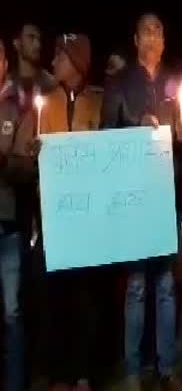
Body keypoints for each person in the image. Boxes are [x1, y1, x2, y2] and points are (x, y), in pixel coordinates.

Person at [101, 13, 182, 391]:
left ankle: (166, 367)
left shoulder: (174, 83)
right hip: (135, 198)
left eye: (159, 30)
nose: (154, 37)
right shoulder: (119, 84)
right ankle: (134, 371)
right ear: (135, 39)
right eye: (147, 31)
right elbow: (106, 137)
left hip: (167, 195)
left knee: (166, 283)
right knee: (137, 284)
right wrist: (137, 129)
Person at [19, 34, 103, 391]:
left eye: (61, 57)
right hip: (52, 223)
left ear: (77, 63)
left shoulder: (98, 102)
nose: (54, 62)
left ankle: (82, 372)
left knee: (84, 300)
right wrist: (32, 155)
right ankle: (56, 374)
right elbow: (19, 162)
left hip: (87, 225)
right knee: (54, 299)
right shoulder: (45, 104)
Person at [0, 39, 34, 391]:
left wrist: (5, 161)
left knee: (12, 311)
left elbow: (26, 166)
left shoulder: (16, 107)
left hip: (7, 224)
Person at [12, 23, 56, 112]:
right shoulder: (6, 86)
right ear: (17, 43)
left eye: (39, 39)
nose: (38, 45)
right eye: (31, 37)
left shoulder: (52, 85)